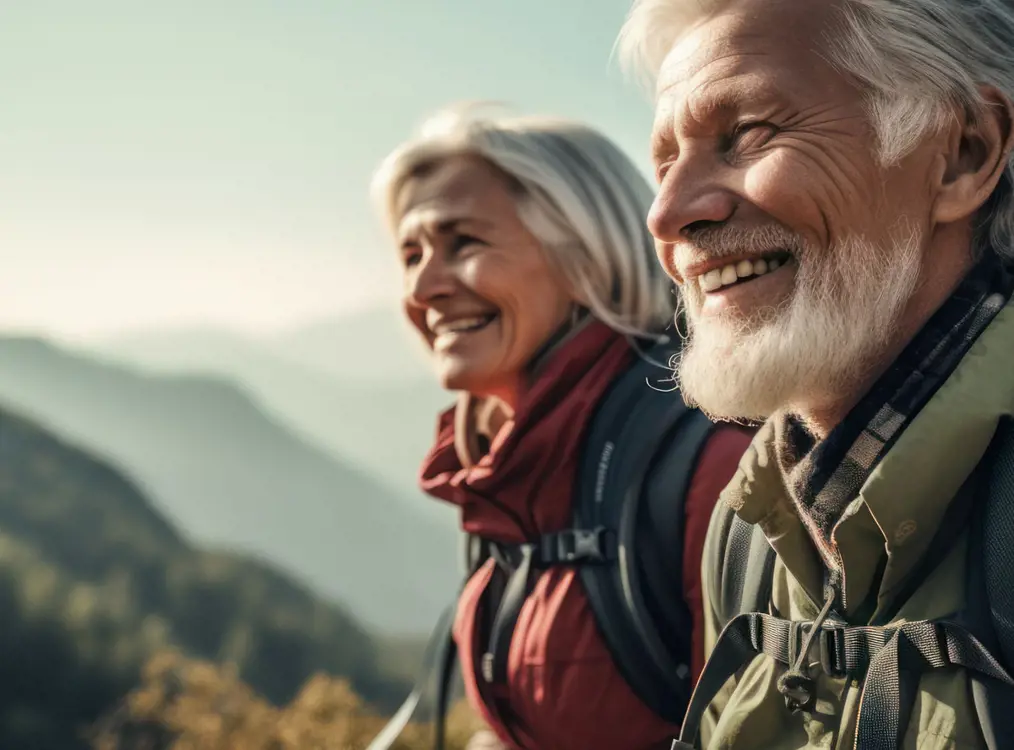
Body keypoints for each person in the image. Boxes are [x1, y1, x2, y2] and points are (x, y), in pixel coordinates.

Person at [617, 0, 1014, 748]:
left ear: (963, 154)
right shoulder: (747, 528)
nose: (666, 215)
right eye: (665, 162)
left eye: (749, 135)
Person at [368, 105, 754, 750]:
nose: (424, 287)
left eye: (463, 243)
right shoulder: (510, 470)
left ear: (586, 256)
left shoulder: (711, 467)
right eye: (411, 254)